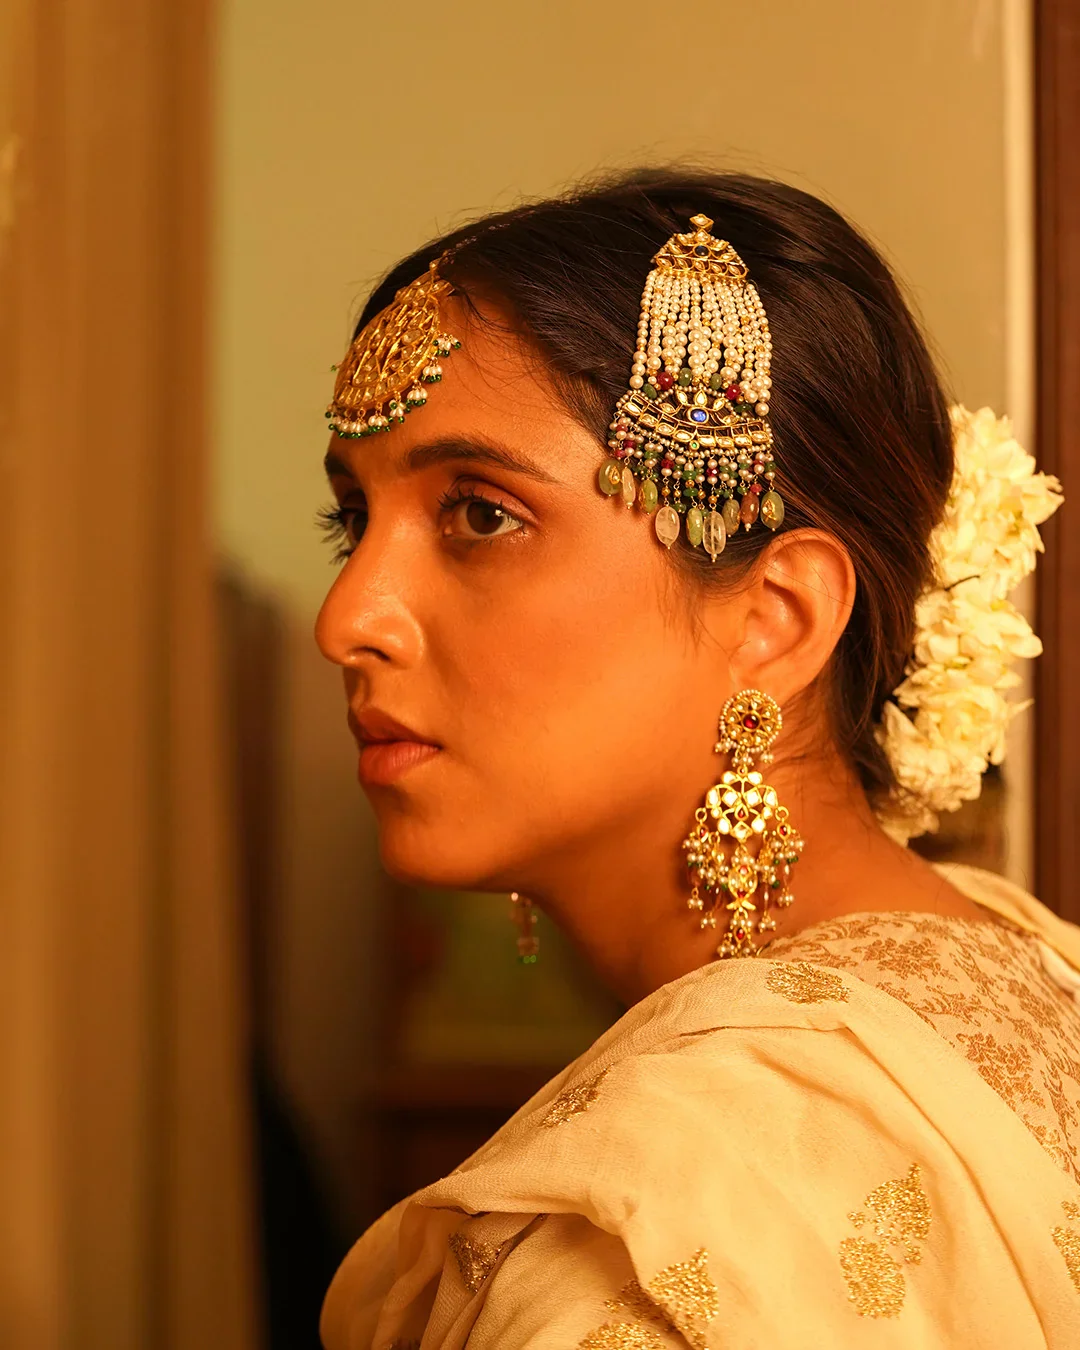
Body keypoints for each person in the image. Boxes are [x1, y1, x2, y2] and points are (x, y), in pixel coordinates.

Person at [313, 171, 1077, 1348]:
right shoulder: (1026, 966)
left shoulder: (644, 1251)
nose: (348, 619)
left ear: (773, 617)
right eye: (353, 523)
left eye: (481, 516)